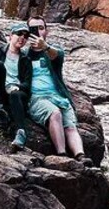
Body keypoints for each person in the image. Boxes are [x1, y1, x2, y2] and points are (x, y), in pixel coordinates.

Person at [26, 18, 92, 165]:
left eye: (41, 28)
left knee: (70, 126)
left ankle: (80, 155)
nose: (38, 31)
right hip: (37, 98)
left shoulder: (53, 50)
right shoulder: (24, 53)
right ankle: (61, 154)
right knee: (54, 114)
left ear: (46, 31)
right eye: (33, 29)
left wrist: (45, 47)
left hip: (59, 96)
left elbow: (56, 55)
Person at [0, 23, 33, 152]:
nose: (22, 38)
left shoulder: (26, 59)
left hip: (15, 93)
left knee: (15, 94)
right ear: (10, 36)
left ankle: (21, 133)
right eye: (19, 34)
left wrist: (16, 87)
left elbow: (27, 84)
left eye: (25, 36)